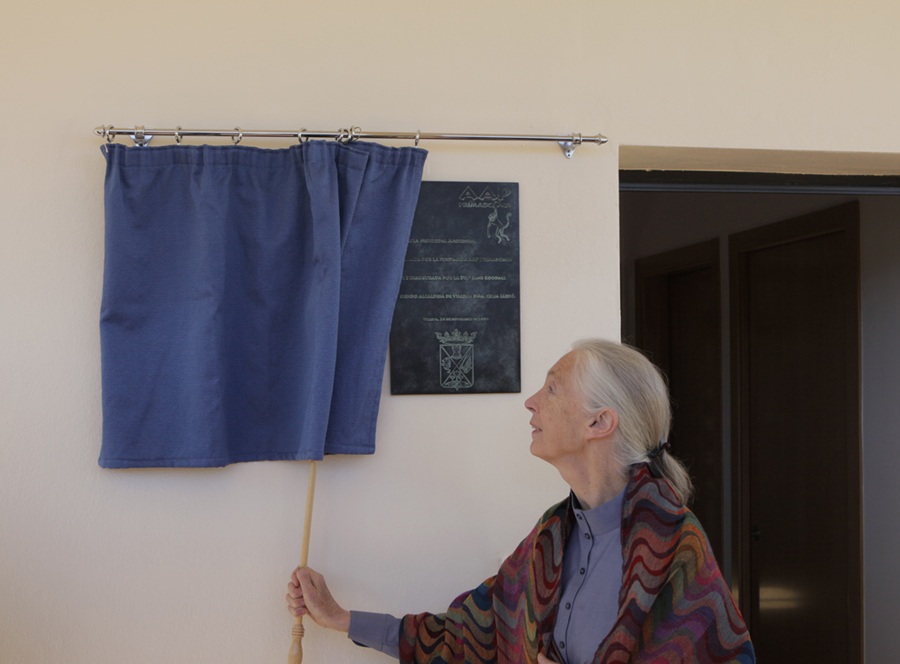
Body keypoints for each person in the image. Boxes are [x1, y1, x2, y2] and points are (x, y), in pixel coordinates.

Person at [286, 339, 755, 663]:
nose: (530, 402)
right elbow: (471, 633)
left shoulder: (676, 546)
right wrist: (342, 618)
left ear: (599, 423)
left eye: (552, 388)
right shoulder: (550, 539)